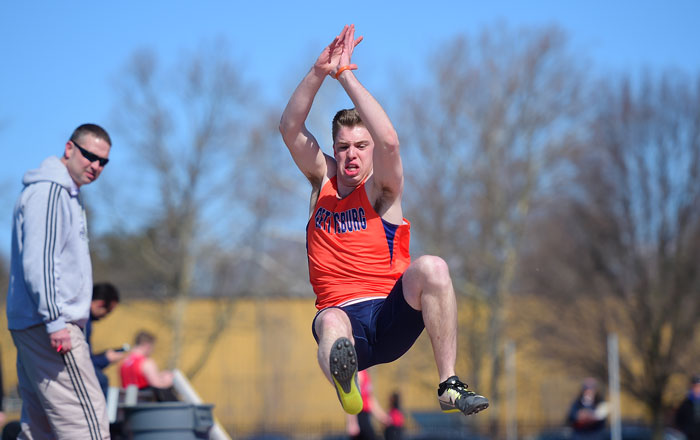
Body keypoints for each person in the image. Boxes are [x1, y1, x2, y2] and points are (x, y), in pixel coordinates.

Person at [279, 24, 489, 417]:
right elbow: (290, 128)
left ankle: (449, 384)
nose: (351, 155)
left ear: (371, 150)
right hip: (343, 322)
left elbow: (390, 141)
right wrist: (319, 71)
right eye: (343, 147)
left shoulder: (382, 192)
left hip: (389, 314)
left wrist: (346, 76)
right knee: (331, 321)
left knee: (433, 267)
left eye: (361, 146)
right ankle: (347, 384)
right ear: (334, 150)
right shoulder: (321, 182)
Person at [6, 123, 112, 439]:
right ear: (69, 149)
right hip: (52, 326)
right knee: (88, 426)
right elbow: (40, 261)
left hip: (36, 325)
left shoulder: (64, 194)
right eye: (90, 155)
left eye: (103, 161)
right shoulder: (52, 191)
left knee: (41, 430)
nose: (95, 165)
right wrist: (55, 321)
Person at [87, 282, 126, 396]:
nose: (105, 316)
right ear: (99, 304)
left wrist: (104, 356)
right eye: (107, 311)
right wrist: (106, 359)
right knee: (102, 380)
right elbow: (81, 362)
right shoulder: (84, 323)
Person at [120, 331, 176, 401]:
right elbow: (157, 385)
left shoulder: (124, 361)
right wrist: (168, 382)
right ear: (147, 345)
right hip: (143, 403)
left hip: (127, 402)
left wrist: (159, 375)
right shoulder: (146, 362)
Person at [346, 369, 391, 440]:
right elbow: (351, 399)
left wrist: (383, 417)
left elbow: (371, 401)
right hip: (359, 415)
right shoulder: (359, 374)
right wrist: (352, 422)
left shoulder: (366, 375)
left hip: (365, 415)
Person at [674, 374, 700, 440]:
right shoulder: (685, 403)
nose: (696, 389)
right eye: (695, 386)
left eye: (698, 386)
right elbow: (679, 419)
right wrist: (685, 429)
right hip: (689, 435)